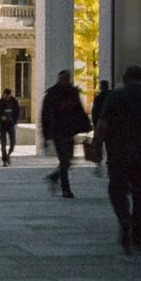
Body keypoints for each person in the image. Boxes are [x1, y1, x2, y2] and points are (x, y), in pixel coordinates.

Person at [93, 64, 141, 253]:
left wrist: (96, 146)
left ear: (125, 77)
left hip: (119, 152)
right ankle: (139, 238)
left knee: (117, 189)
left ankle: (124, 219)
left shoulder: (115, 96)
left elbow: (103, 124)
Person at [38, 69, 89, 197]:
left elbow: (80, 111)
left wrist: (86, 126)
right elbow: (45, 116)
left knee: (69, 159)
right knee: (65, 159)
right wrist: (45, 136)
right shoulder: (52, 94)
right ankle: (66, 189)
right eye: (62, 78)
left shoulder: (73, 93)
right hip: (57, 132)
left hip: (69, 131)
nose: (64, 81)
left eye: (66, 78)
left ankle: (54, 177)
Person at [0, 88, 23, 166]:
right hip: (2, 125)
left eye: (9, 96)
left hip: (11, 124)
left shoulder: (14, 102)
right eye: (6, 96)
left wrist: (14, 120)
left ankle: (8, 154)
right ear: (4, 94)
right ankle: (4, 159)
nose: (8, 97)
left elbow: (18, 112)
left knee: (13, 142)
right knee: (3, 143)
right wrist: (1, 117)